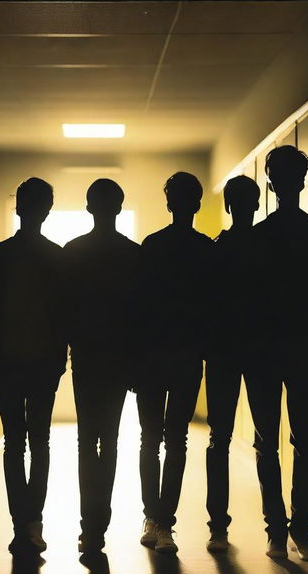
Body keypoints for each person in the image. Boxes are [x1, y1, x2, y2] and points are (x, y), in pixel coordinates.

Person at [244, 146, 308, 561]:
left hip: (267, 355)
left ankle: (278, 533)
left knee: (268, 442)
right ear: (301, 182)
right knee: (304, 439)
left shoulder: (258, 238)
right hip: (301, 354)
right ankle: (299, 533)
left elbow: (243, 301)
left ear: (271, 184)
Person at [135, 172, 214, 554]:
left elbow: (138, 308)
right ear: (195, 203)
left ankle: (154, 517)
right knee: (174, 440)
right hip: (184, 356)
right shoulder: (206, 250)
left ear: (170, 203)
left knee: (151, 440)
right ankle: (163, 522)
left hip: (153, 355)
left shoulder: (151, 246)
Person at [0, 177, 67, 555]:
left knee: (14, 444)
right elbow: (63, 318)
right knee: (39, 442)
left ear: (18, 207)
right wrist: (59, 361)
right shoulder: (57, 257)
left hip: (6, 362)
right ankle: (32, 522)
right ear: (47, 211)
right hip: (41, 364)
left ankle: (21, 523)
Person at [63, 179, 140, 555]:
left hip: (87, 359)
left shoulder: (74, 251)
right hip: (119, 361)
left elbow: (65, 312)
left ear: (89, 208)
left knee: (85, 440)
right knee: (108, 440)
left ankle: (88, 527)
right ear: (119, 209)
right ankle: (99, 525)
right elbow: (141, 316)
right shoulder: (133, 254)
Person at [204, 175, 260, 553]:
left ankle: (218, 528)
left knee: (218, 440)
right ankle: (277, 531)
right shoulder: (268, 246)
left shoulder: (215, 249)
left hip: (223, 353)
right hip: (260, 352)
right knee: (266, 440)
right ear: (256, 204)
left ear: (227, 206)